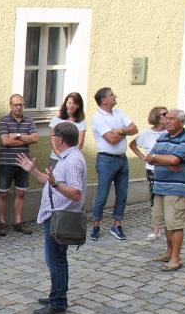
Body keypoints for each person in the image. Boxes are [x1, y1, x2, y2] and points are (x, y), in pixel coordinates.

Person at [16, 122, 86, 314]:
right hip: (55, 215)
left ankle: (58, 303)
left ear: (60, 139)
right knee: (57, 259)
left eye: (53, 135)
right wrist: (33, 170)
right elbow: (50, 181)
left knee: (55, 260)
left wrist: (56, 185)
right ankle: (57, 294)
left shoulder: (72, 161)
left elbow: (75, 193)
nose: (52, 139)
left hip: (61, 217)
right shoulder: (67, 158)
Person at [146, 109, 185, 272]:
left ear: (181, 122)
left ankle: (176, 258)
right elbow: (149, 157)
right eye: (166, 118)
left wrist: (159, 159)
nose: (166, 121)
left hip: (178, 188)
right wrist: (164, 161)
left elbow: (174, 159)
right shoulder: (163, 137)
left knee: (176, 224)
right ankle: (168, 252)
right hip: (161, 187)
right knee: (166, 222)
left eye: (171, 119)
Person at [89, 87, 138, 241]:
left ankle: (117, 224)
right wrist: (124, 132)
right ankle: (96, 225)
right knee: (102, 195)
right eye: (111, 95)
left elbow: (134, 128)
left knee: (122, 193)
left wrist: (120, 131)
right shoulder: (98, 117)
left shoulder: (119, 113)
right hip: (106, 160)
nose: (115, 96)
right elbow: (111, 139)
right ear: (104, 100)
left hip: (122, 159)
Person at [0, 94, 39, 236]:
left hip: (24, 163)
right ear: (10, 105)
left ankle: (18, 222)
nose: (18, 107)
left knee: (20, 192)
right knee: (3, 193)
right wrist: (26, 139)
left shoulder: (29, 120)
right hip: (6, 162)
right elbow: (5, 142)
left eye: (20, 104)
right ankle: (2, 223)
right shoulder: (4, 121)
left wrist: (18, 135)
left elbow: (35, 138)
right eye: (15, 104)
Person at [129, 106, 168, 241]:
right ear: (156, 117)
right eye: (164, 114)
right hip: (153, 170)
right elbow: (132, 145)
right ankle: (156, 230)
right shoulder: (147, 134)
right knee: (155, 198)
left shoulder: (169, 132)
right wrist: (142, 157)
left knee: (168, 199)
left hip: (168, 170)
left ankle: (168, 230)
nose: (167, 115)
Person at [48, 92, 87, 170]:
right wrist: (57, 152)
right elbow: (52, 137)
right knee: (53, 180)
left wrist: (68, 155)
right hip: (56, 157)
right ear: (66, 103)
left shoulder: (81, 122)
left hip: (72, 159)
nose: (71, 106)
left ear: (79, 106)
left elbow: (80, 143)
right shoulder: (56, 119)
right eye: (70, 102)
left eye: (75, 104)